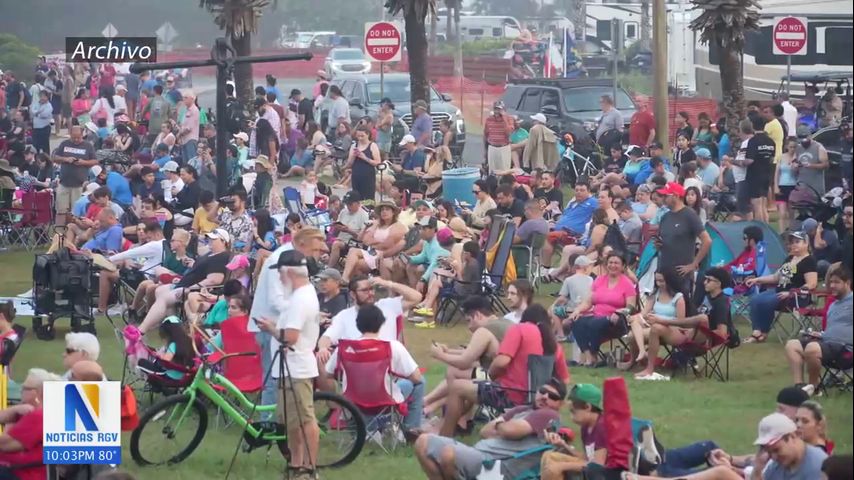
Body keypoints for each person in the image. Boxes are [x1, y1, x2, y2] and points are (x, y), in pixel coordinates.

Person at [439, 304, 570, 437]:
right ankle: (461, 424)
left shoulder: (519, 329)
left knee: (457, 387)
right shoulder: (555, 345)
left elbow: (502, 362)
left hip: (511, 394)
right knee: (474, 386)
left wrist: (490, 375)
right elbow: (564, 380)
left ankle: (444, 435)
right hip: (538, 399)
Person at [415, 378, 566, 480]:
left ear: (560, 404)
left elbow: (510, 431)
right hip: (479, 453)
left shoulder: (547, 414)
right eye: (542, 391)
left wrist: (501, 425)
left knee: (448, 454)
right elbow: (485, 431)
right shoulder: (523, 410)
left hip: (496, 465)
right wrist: (505, 426)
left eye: (552, 396)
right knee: (422, 442)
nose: (545, 396)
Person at [254, 251, 321, 480]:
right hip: (290, 367)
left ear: (289, 272)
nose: (279, 279)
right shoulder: (300, 295)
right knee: (292, 422)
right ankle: (296, 465)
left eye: (281, 274)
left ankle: (309, 468)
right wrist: (275, 325)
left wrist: (271, 329)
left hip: (297, 368)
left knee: (304, 420)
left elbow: (290, 337)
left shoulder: (300, 299)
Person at [325, 304, 424, 432]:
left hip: (353, 400)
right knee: (420, 382)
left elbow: (328, 373)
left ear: (358, 324)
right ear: (381, 323)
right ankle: (411, 430)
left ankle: (371, 428)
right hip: (384, 400)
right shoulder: (392, 347)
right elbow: (416, 377)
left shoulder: (344, 349)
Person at [138, 229, 232, 333]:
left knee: (164, 298)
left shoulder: (222, 256)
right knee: (159, 291)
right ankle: (175, 330)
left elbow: (214, 280)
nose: (210, 241)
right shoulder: (211, 254)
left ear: (224, 242)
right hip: (184, 283)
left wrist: (190, 288)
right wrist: (193, 264)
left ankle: (140, 331)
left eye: (214, 239)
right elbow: (202, 269)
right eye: (209, 238)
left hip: (193, 289)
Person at [784, 266, 852, 394]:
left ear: (847, 283)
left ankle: (814, 387)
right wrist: (821, 334)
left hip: (846, 350)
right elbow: (834, 329)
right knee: (792, 344)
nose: (831, 285)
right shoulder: (833, 305)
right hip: (828, 344)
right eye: (830, 282)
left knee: (812, 348)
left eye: (836, 282)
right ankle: (799, 385)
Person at [746, 231, 818, 344]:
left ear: (806, 244)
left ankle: (764, 333)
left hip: (797, 297)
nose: (793, 245)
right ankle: (756, 331)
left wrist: (792, 292)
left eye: (797, 242)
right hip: (779, 290)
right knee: (756, 299)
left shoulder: (809, 261)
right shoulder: (790, 259)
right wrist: (757, 280)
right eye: (792, 242)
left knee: (768, 302)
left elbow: (812, 284)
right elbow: (776, 277)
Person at [567, 253, 637, 366]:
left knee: (595, 323)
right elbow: (588, 302)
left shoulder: (627, 284)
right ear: (606, 265)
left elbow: (631, 306)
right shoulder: (599, 280)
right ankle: (589, 356)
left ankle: (594, 355)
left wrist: (620, 312)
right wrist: (577, 311)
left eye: (616, 263)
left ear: (623, 266)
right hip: (596, 317)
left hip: (617, 321)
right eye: (610, 262)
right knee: (576, 321)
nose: (613, 265)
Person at [0, 368, 63, 480]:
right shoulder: (51, 411)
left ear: (38, 392)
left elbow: (5, 445)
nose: (21, 390)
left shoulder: (38, 416)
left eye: (25, 388)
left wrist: (11, 416)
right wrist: (13, 411)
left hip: (23, 474)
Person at [540, 384, 608, 479]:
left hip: (605, 475)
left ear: (587, 407)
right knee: (548, 456)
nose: (571, 417)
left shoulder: (602, 427)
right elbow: (586, 457)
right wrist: (563, 444)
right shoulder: (586, 426)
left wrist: (562, 466)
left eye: (573, 411)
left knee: (554, 468)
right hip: (591, 468)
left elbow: (597, 466)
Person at [656, 182, 712, 296]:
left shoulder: (689, 215)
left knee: (682, 305)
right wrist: (659, 245)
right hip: (664, 269)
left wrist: (694, 264)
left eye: (666, 196)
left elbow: (707, 240)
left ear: (676, 196)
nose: (664, 199)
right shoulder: (665, 217)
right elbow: (666, 240)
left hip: (681, 272)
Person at [52, 125, 98, 226]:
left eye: (78, 137)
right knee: (60, 210)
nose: (76, 140)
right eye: (74, 137)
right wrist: (66, 159)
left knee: (76, 211)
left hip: (79, 184)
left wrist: (83, 162)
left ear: (82, 135)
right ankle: (59, 232)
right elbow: (55, 157)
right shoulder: (65, 144)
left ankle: (73, 231)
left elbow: (95, 161)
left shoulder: (88, 146)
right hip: (64, 182)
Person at [552, 255, 594, 337]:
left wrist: (554, 305)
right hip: (589, 309)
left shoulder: (569, 280)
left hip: (573, 310)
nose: (591, 268)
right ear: (584, 268)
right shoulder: (591, 279)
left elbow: (562, 298)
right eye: (589, 266)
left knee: (554, 311)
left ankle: (561, 334)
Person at [346, 126, 381, 202]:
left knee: (369, 199)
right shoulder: (354, 146)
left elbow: (378, 162)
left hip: (368, 176)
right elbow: (349, 164)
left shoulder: (372, 145)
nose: (360, 138)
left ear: (367, 135)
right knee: (357, 198)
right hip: (356, 175)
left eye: (362, 136)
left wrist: (364, 157)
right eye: (358, 136)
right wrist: (353, 156)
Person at [794, 125, 830, 196]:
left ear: (809, 136)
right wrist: (795, 166)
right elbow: (795, 161)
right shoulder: (798, 148)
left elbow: (826, 165)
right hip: (801, 185)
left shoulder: (819, 147)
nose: (803, 142)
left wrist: (811, 165)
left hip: (815, 187)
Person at [483, 100, 514, 174]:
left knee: (504, 171)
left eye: (499, 109)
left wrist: (504, 118)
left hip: (504, 147)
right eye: (495, 109)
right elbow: (486, 134)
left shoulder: (509, 119)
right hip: (492, 147)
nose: (497, 111)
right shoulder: (489, 119)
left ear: (503, 110)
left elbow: (509, 132)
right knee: (492, 171)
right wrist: (485, 149)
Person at [775, 138, 799, 232]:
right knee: (782, 213)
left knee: (791, 212)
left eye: (794, 147)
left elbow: (797, 173)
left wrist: (794, 165)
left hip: (792, 186)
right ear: (787, 147)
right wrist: (776, 186)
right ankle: (782, 232)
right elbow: (777, 173)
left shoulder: (797, 158)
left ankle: (791, 231)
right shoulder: (781, 157)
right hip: (782, 185)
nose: (792, 149)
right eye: (790, 147)